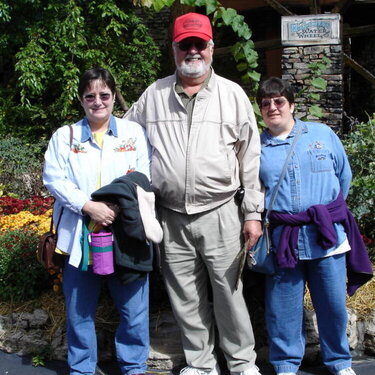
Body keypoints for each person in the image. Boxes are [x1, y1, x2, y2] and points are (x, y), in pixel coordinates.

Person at [125, 12, 264, 375]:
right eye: (184, 45)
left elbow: (250, 159)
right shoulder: (152, 96)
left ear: (211, 48)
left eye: (198, 44)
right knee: (185, 296)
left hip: (220, 213)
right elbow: (124, 141)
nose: (192, 51)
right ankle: (201, 364)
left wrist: (252, 213)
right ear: (173, 49)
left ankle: (241, 363)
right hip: (169, 215)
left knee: (229, 294)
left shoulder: (233, 96)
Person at [256, 77, 373, 375]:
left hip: (326, 235)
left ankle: (339, 361)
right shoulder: (257, 148)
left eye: (279, 101)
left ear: (292, 105)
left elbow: (343, 177)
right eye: (266, 103)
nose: (273, 107)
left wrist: (326, 213)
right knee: (282, 307)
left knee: (332, 304)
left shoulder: (321, 135)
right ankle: (285, 363)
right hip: (284, 239)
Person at [43, 67, 152, 375]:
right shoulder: (66, 137)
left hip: (125, 234)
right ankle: (82, 369)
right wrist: (88, 206)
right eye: (90, 96)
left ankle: (134, 367)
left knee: (133, 309)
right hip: (79, 236)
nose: (98, 102)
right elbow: (54, 178)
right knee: (79, 311)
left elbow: (144, 176)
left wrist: (116, 208)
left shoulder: (133, 134)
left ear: (114, 96)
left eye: (104, 95)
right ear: (81, 100)